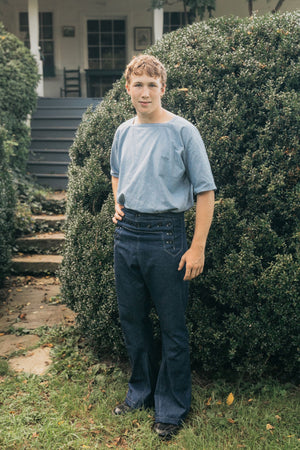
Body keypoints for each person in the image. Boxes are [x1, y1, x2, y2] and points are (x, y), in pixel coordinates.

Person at [110, 54, 216, 440]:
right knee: (132, 320)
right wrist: (118, 203)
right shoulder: (123, 131)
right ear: (128, 88)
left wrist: (197, 247)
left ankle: (171, 408)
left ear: (163, 89)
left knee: (173, 327)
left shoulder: (183, 131)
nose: (144, 92)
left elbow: (205, 191)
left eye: (152, 85)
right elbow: (116, 172)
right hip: (128, 237)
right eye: (137, 84)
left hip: (167, 237)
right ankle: (141, 391)